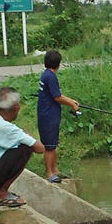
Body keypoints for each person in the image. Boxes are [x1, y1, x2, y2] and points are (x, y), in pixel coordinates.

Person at [37, 50, 79, 184]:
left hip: (50, 114)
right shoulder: (50, 77)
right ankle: (49, 173)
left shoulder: (47, 75)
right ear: (58, 64)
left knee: (53, 144)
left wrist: (72, 101)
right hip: (48, 115)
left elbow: (57, 94)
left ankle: (55, 170)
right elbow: (57, 97)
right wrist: (72, 104)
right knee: (49, 146)